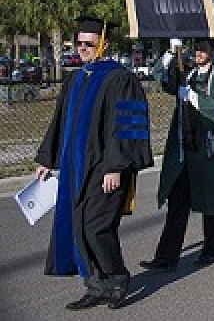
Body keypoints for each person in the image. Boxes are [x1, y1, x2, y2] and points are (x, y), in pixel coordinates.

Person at [35, 16, 153, 310]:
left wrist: (116, 166)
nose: (83, 48)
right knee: (79, 226)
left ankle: (117, 277)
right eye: (79, 43)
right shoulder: (76, 78)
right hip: (76, 168)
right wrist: (46, 159)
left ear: (104, 44)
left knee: (96, 227)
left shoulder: (119, 78)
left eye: (89, 43)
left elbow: (126, 126)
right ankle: (95, 284)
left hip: (105, 168)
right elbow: (59, 122)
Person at [141, 38, 214, 270]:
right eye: (196, 48)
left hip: (208, 149)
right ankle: (167, 256)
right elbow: (162, 78)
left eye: (204, 48)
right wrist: (171, 53)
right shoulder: (187, 73)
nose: (199, 52)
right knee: (178, 202)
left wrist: (193, 97)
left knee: (211, 200)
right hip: (184, 149)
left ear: (213, 51)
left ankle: (210, 250)